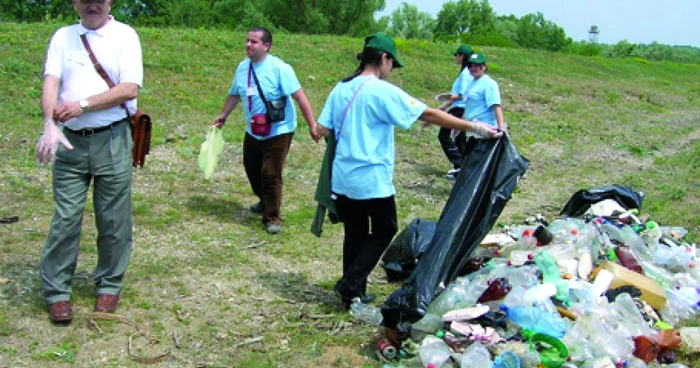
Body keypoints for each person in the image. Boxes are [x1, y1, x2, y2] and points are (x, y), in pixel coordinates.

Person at [314, 33, 500, 308]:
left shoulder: (341, 88)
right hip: (371, 177)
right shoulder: (380, 90)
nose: (391, 70)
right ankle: (349, 283)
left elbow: (322, 130)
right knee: (384, 229)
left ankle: (352, 294)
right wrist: (475, 127)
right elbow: (427, 113)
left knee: (355, 233)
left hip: (343, 177)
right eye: (392, 63)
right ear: (384, 58)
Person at [35, 0, 143, 322]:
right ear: (74, 3)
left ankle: (109, 283)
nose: (91, 5)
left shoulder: (125, 35)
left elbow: (129, 88)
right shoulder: (62, 37)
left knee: (113, 218)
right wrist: (49, 124)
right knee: (66, 218)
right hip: (70, 143)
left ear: (110, 2)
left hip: (112, 139)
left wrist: (83, 104)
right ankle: (57, 291)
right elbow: (51, 82)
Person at [212, 27, 319, 234]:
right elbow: (234, 94)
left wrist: (312, 126)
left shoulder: (280, 68)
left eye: (254, 42)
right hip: (253, 129)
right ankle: (264, 200)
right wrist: (223, 115)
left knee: (271, 173)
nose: (248, 45)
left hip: (279, 130)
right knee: (252, 169)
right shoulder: (243, 68)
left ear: (266, 46)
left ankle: (272, 217)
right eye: (247, 41)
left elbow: (300, 97)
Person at [458, 51, 506, 158]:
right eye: (470, 66)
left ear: (484, 67)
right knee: (468, 160)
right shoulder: (472, 83)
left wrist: (501, 128)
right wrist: (459, 123)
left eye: (476, 66)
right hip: (473, 130)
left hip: (485, 131)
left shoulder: (489, 83)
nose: (473, 69)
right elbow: (469, 105)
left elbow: (496, 106)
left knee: (474, 163)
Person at [438, 44, 473, 179]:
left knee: (444, 136)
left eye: (456, 55)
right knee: (459, 139)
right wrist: (443, 108)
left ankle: (459, 165)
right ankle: (464, 168)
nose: (455, 58)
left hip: (460, 109)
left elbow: (463, 95)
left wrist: (447, 97)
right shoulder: (467, 72)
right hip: (461, 108)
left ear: (462, 56)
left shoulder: (465, 74)